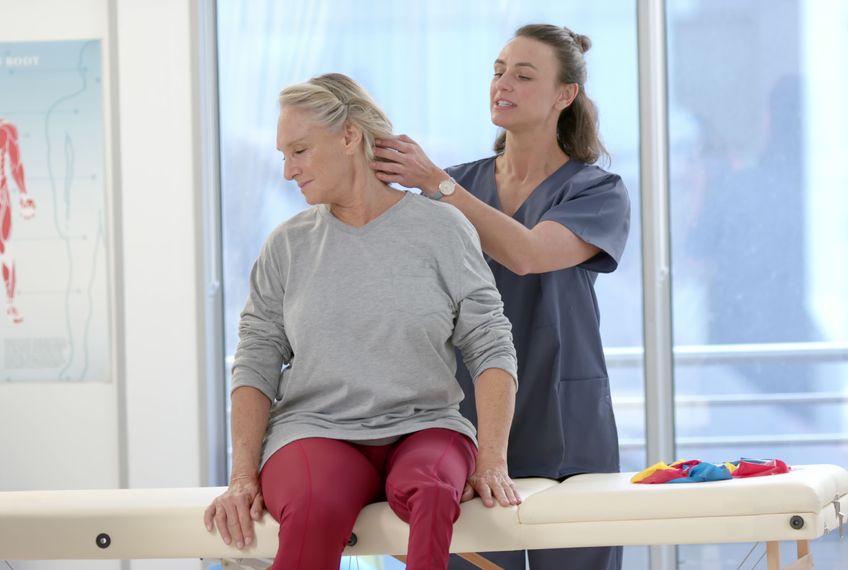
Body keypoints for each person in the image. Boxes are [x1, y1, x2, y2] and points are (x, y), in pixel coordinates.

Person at [203, 73, 520, 570]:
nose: (288, 170)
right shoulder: (288, 245)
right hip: (314, 431)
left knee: (435, 493)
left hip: (426, 426)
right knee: (313, 507)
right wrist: (242, 477)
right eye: (283, 154)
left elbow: (490, 342)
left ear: (349, 137)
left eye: (300, 150)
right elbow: (256, 360)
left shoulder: (442, 229)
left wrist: (493, 459)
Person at [373, 24, 631, 570]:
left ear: (566, 95)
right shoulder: (454, 185)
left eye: (522, 74)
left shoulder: (595, 191)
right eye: (497, 71)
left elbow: (529, 254)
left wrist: (437, 185)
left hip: (565, 416)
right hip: (467, 416)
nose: (502, 83)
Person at [0, 118, 35, 324]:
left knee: (5, 250)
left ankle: (11, 303)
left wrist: (24, 195)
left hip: (1, 196)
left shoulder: (6, 129)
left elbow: (16, 164)